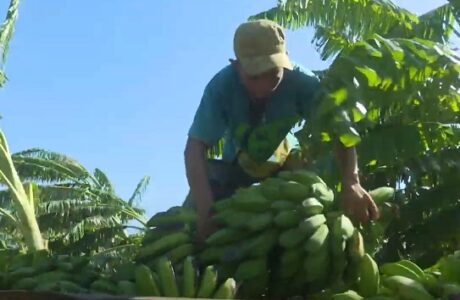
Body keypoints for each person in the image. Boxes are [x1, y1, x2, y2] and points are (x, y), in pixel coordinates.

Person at [184, 19, 379, 245]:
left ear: (286, 59)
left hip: (286, 160)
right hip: (235, 163)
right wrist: (205, 209)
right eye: (254, 76)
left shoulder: (303, 83)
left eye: (272, 73)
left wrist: (351, 180)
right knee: (192, 216)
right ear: (236, 65)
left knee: (310, 208)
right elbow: (195, 148)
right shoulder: (221, 87)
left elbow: (339, 128)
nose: (263, 87)